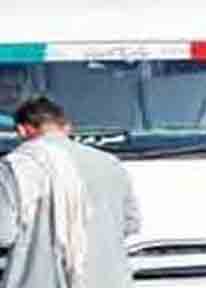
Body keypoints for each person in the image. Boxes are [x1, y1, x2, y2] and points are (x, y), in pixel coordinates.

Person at [0, 97, 140, 288]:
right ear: (66, 127)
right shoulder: (110, 163)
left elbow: (4, 234)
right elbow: (131, 223)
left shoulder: (14, 166)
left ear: (22, 130)